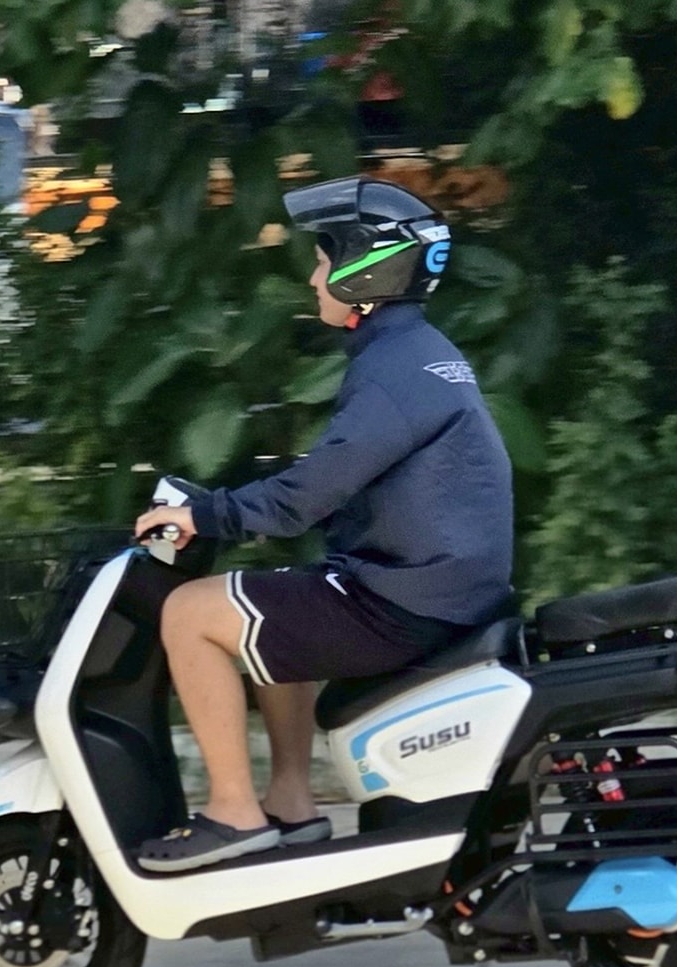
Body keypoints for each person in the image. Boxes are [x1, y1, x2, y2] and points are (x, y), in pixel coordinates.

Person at [133, 175, 514, 873]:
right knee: (275, 598)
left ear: (366, 271)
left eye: (322, 260)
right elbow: (347, 476)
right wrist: (228, 507)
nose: (313, 279)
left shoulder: (394, 372)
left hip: (406, 604)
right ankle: (290, 804)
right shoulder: (420, 354)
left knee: (189, 613)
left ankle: (232, 814)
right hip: (439, 592)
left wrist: (206, 514)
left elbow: (306, 498)